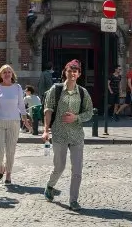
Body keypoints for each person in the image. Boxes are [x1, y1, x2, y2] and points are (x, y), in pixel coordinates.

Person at [43, 59, 94, 211]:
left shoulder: (83, 93)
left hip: (77, 135)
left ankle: (73, 200)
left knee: (77, 170)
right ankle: (50, 186)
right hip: (59, 134)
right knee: (59, 167)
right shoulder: (56, 89)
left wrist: (76, 118)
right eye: (70, 70)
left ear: (79, 74)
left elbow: (89, 112)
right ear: (65, 72)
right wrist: (46, 129)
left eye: (75, 71)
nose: (72, 73)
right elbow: (48, 109)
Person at [0, 64, 27, 184]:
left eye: (9, 72)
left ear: (12, 74)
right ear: (0, 75)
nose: (7, 74)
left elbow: (21, 105)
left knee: (10, 150)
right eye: (4, 72)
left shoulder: (17, 87)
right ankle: (1, 166)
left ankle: (8, 173)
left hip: (14, 122)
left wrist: (25, 119)